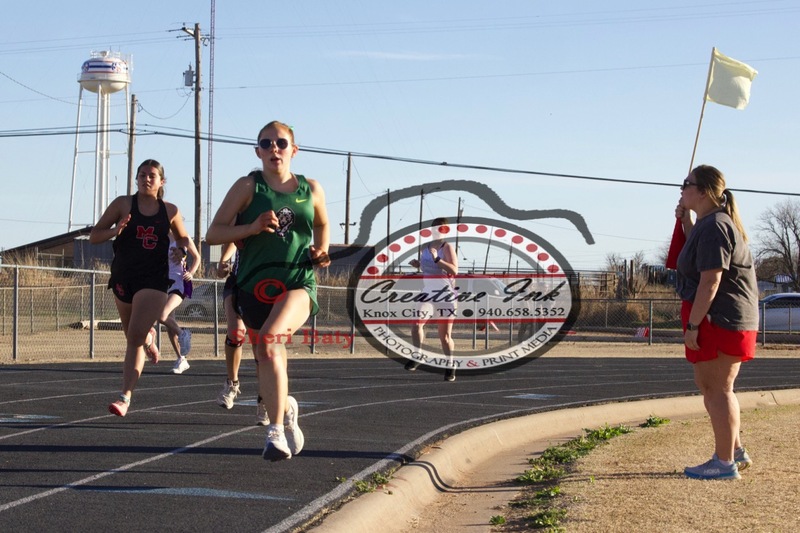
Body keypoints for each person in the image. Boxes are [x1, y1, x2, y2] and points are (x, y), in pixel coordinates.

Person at [206, 120, 330, 461]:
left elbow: (320, 223)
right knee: (265, 356)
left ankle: (274, 434)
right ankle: (286, 405)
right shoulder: (248, 186)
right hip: (253, 285)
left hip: (297, 281)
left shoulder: (311, 188)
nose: (274, 149)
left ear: (294, 149)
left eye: (280, 142)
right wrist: (253, 226)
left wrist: (321, 250)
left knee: (271, 342)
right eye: (266, 143)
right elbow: (213, 234)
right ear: (258, 151)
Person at [674, 164, 758, 480]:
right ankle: (733, 451)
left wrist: (694, 325)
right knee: (713, 387)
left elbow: (711, 280)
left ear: (705, 191)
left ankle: (724, 464)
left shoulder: (715, 227)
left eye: (687, 183)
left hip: (718, 319)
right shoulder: (709, 225)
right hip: (724, 319)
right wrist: (686, 220)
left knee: (717, 389)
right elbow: (697, 249)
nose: (682, 188)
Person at [90, 159, 193, 417]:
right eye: (142, 175)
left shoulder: (169, 210)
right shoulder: (123, 204)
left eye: (152, 175)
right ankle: (149, 339)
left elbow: (183, 239)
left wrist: (181, 251)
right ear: (136, 178)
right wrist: (116, 229)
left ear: (162, 182)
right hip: (124, 276)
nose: (146, 179)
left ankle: (125, 397)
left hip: (154, 280)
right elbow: (94, 236)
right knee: (133, 336)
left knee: (133, 337)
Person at [404, 217, 459, 381]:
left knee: (445, 338)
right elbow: (427, 267)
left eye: (442, 228)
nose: (438, 231)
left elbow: (454, 270)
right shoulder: (425, 247)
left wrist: (438, 259)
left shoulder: (447, 247)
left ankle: (450, 365)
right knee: (415, 325)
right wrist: (417, 264)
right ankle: (418, 355)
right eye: (436, 228)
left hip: (445, 295)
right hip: (428, 293)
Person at [214, 240, 253, 417]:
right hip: (239, 281)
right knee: (236, 331)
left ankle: (264, 399)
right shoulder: (245, 214)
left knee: (264, 342)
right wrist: (223, 260)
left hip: (268, 283)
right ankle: (232, 383)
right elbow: (231, 236)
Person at [158, 230, 200, 374]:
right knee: (170, 324)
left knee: (162, 315)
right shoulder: (160, 237)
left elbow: (197, 257)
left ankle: (183, 333)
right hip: (164, 283)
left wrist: (191, 272)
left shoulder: (184, 238)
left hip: (179, 283)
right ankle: (181, 359)